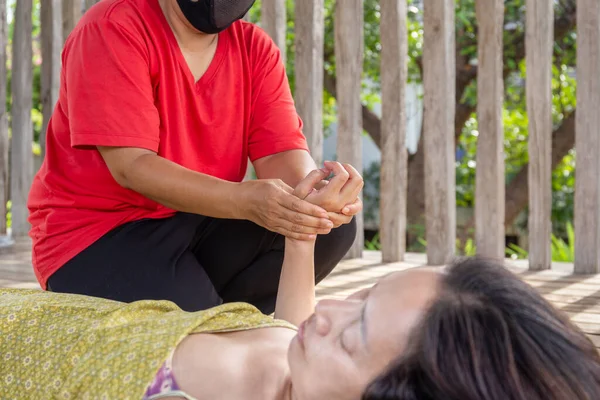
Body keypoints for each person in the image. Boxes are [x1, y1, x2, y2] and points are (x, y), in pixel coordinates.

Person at [5, 167, 600, 399]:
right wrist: (299, 241)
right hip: (47, 318)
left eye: (352, 337)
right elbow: (288, 323)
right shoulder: (302, 369)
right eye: (364, 297)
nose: (333, 309)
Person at [26, 0, 363, 314]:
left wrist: (312, 199)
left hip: (197, 216)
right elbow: (132, 167)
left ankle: (217, 314)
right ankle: (209, 318)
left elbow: (280, 153)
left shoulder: (254, 49)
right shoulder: (113, 26)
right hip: (97, 234)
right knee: (206, 334)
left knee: (329, 230)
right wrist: (244, 199)